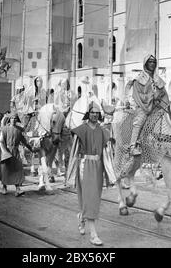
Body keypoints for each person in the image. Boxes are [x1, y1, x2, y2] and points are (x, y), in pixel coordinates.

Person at [68, 101, 111, 246]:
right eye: (92, 112)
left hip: (98, 167)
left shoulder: (103, 131)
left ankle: (81, 216)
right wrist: (71, 173)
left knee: (94, 199)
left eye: (97, 113)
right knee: (90, 198)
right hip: (84, 166)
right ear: (88, 113)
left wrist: (109, 173)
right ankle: (93, 234)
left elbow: (107, 154)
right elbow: (73, 152)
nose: (94, 115)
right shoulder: (81, 130)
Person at [129, 54, 169, 155]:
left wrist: (165, 103)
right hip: (144, 106)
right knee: (139, 121)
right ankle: (132, 146)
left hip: (158, 107)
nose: (152, 64)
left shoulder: (158, 79)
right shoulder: (139, 78)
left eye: (154, 62)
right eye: (150, 62)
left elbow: (164, 93)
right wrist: (152, 97)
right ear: (145, 63)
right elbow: (138, 94)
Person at [0, 112, 34, 197]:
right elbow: (1, 141)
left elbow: (24, 141)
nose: (13, 120)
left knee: (18, 170)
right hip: (6, 151)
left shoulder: (19, 130)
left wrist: (31, 149)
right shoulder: (4, 129)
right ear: (9, 119)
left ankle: (18, 189)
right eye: (12, 118)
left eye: (15, 118)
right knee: (5, 170)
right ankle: (4, 187)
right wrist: (4, 151)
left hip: (15, 152)